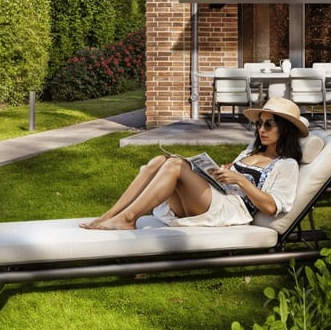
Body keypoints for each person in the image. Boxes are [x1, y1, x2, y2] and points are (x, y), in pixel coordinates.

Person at [82, 95, 309, 230]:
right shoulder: (251, 151)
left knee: (175, 165)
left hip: (231, 209)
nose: (261, 129)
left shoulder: (286, 165)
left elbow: (271, 207)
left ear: (285, 129)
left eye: (269, 125)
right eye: (259, 124)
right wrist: (222, 171)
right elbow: (232, 176)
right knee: (159, 160)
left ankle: (128, 219)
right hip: (215, 196)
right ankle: (110, 215)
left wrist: (240, 180)